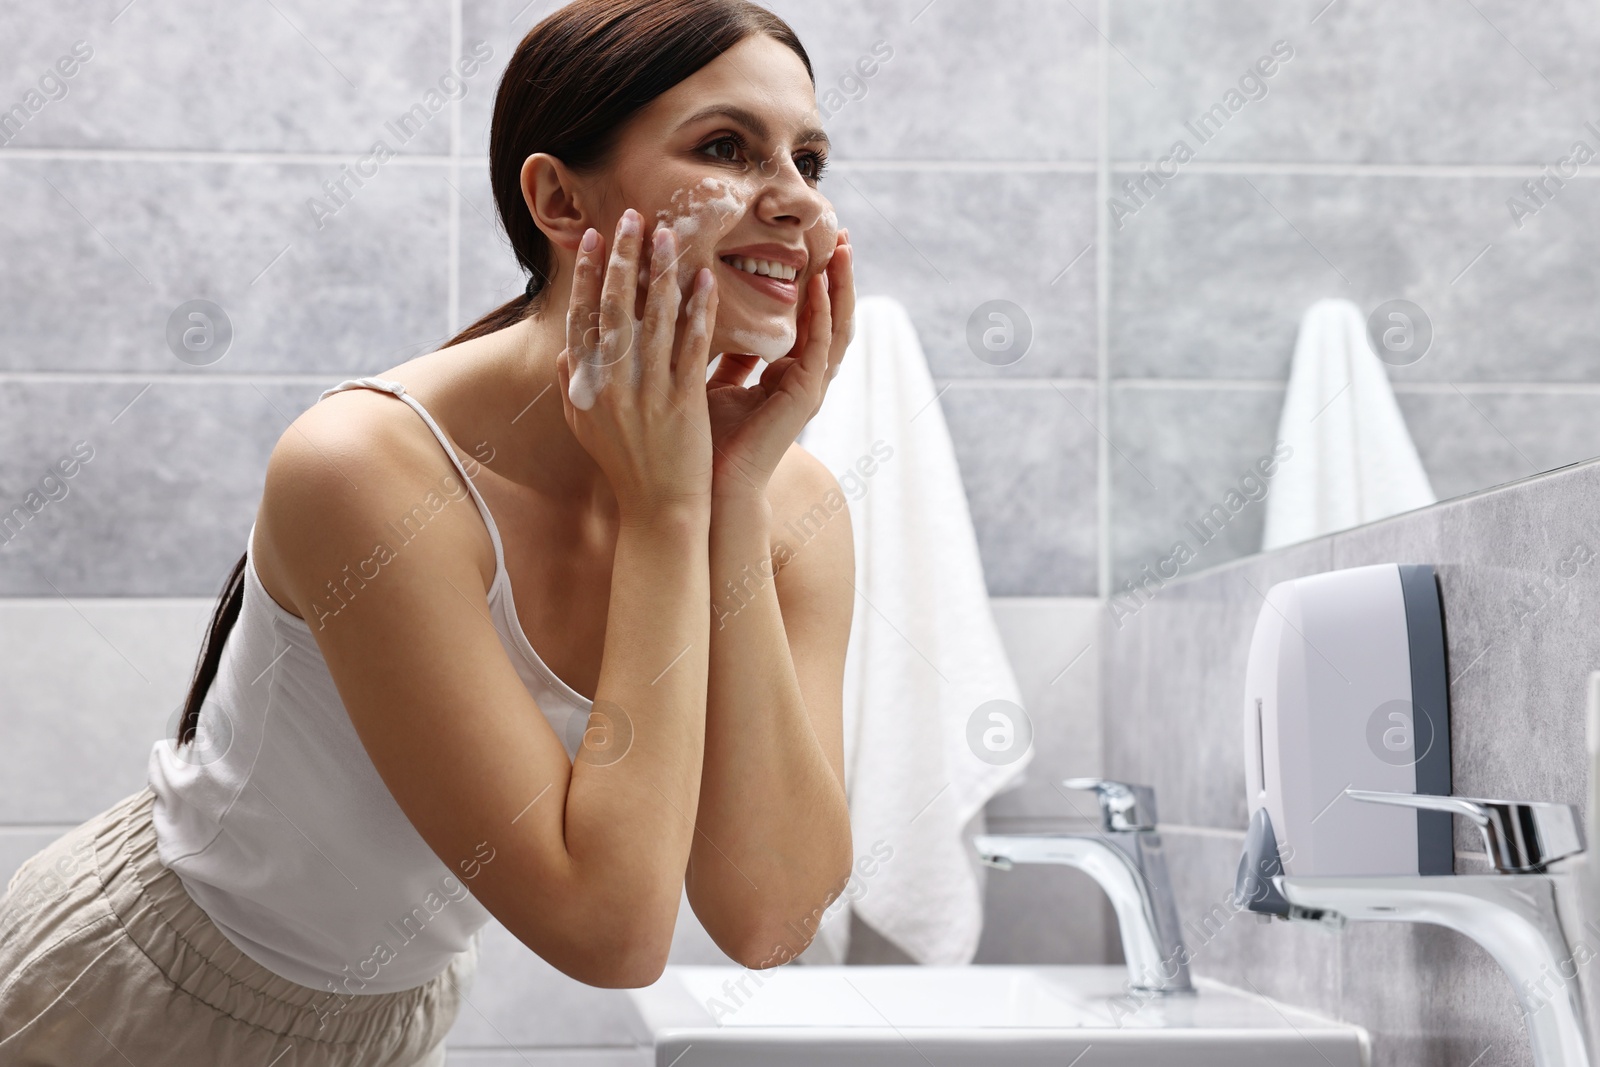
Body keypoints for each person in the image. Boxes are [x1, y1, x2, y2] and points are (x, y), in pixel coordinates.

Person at [0, 1, 857, 1062]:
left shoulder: (783, 505)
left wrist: (723, 501)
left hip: (383, 1021)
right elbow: (611, 931)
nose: (797, 205)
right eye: (727, 147)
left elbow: (768, 920)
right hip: (132, 1002)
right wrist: (669, 507)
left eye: (811, 160)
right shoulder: (362, 467)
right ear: (557, 197)